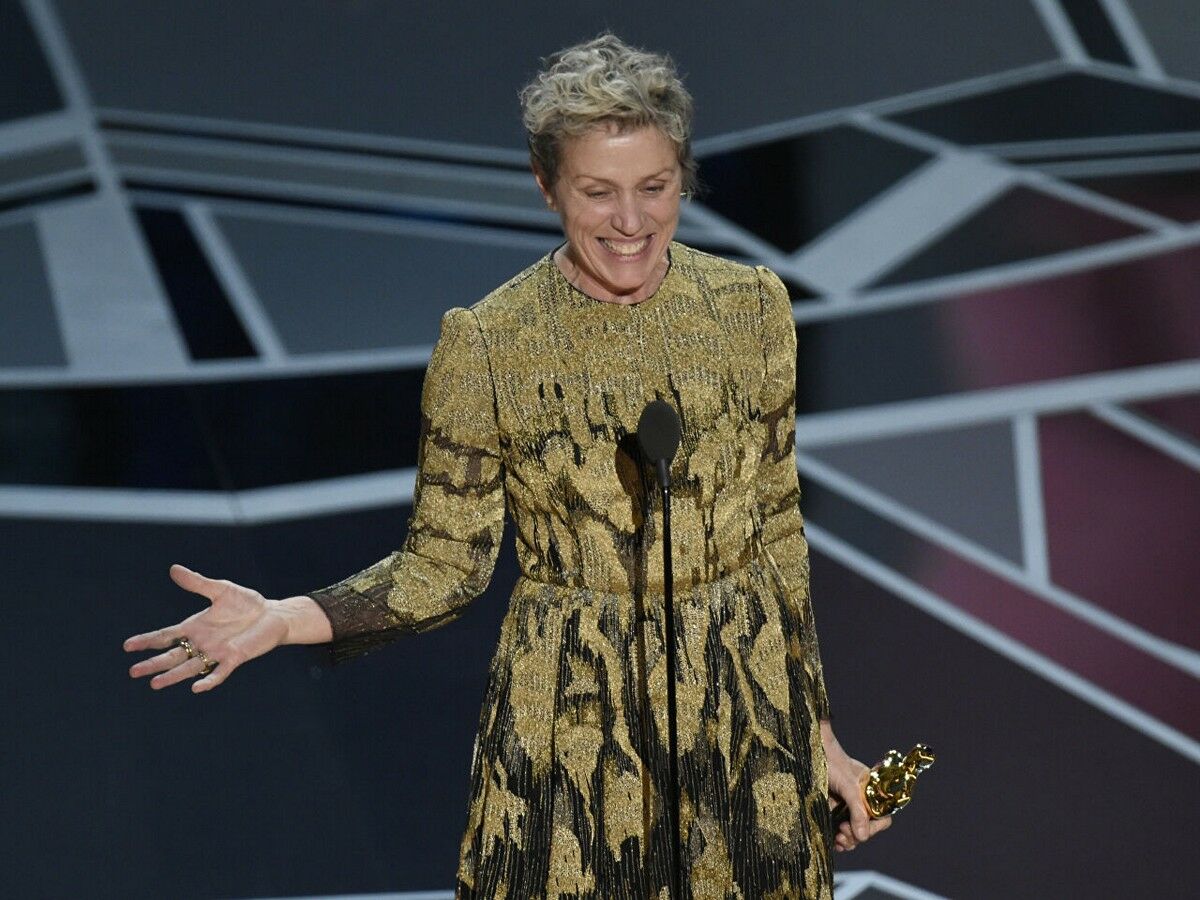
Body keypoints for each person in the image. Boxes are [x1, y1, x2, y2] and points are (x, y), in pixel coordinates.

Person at [125, 33, 890, 899]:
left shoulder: (751, 307)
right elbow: (444, 563)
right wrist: (286, 617)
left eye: (654, 187)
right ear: (546, 186)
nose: (631, 221)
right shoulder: (489, 343)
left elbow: (776, 531)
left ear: (683, 177)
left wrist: (818, 734)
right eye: (598, 192)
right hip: (576, 717)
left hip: (743, 712)